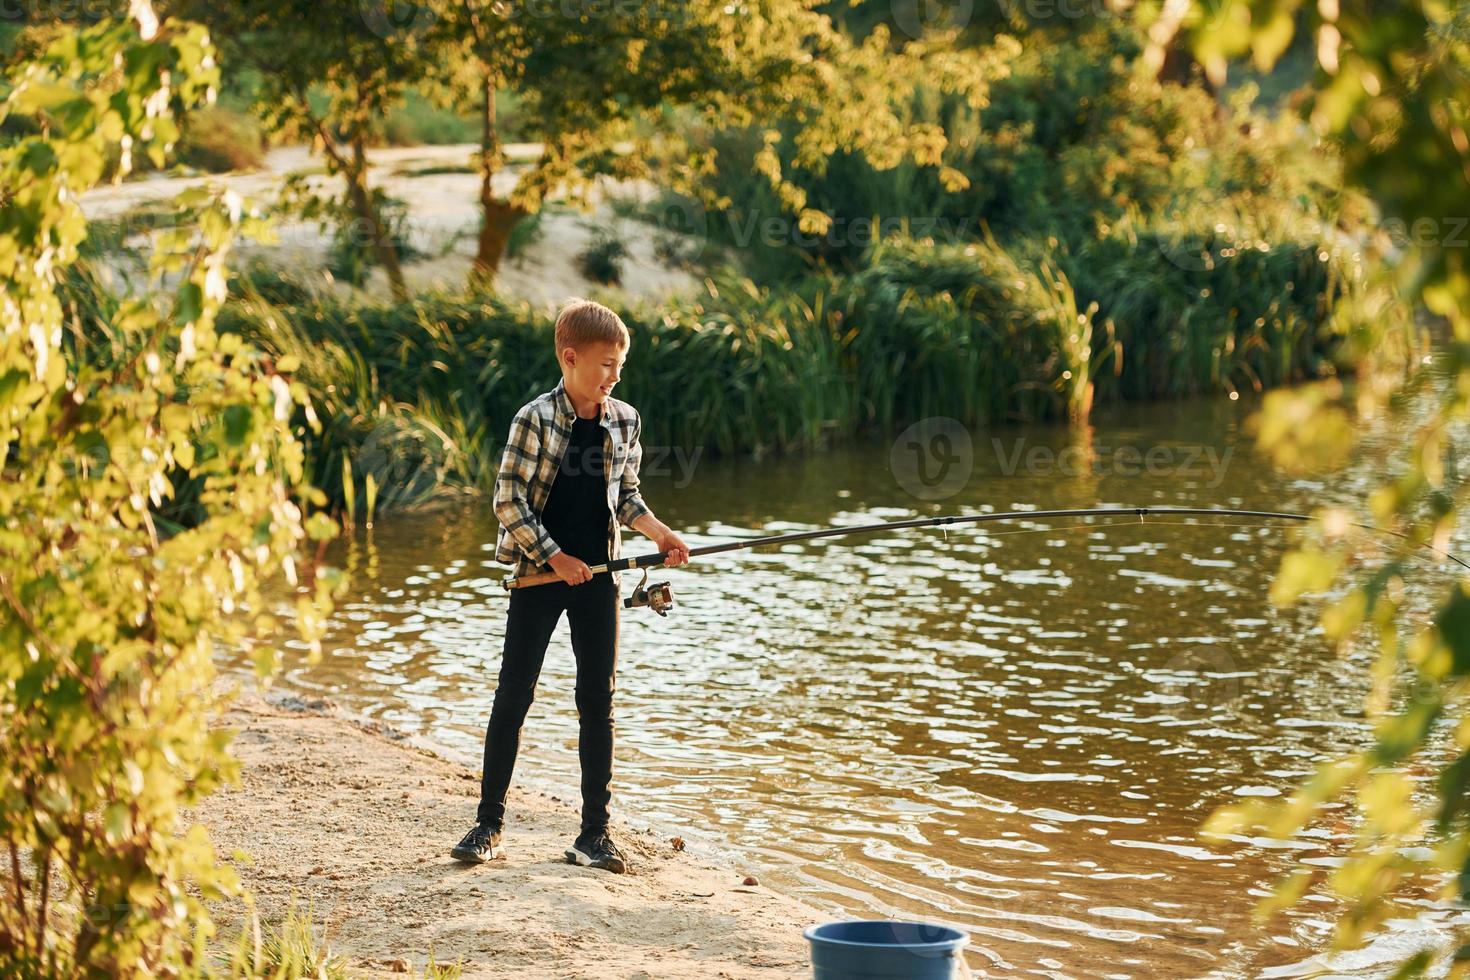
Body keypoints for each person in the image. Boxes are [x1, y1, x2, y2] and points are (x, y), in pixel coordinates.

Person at [450, 299, 690, 874]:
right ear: (570, 357)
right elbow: (507, 501)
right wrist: (555, 557)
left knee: (597, 703)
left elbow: (626, 498)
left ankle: (594, 835)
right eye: (605, 364)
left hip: (599, 577)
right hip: (539, 573)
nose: (614, 375)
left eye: (620, 365)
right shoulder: (533, 419)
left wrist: (659, 533)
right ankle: (488, 824)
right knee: (514, 696)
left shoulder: (625, 420)